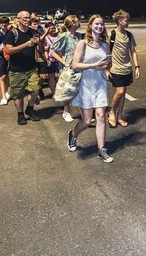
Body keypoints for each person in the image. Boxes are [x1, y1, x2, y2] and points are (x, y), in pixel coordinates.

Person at [65, 14, 113, 163]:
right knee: (86, 121)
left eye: (102, 24)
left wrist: (107, 67)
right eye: (96, 24)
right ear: (90, 26)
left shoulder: (105, 45)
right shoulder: (83, 43)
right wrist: (94, 65)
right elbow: (75, 65)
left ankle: (101, 150)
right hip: (86, 85)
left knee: (100, 116)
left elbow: (108, 64)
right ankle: (73, 134)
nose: (99, 26)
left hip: (100, 84)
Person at [4, 11, 42, 125]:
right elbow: (8, 50)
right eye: (25, 18)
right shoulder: (12, 33)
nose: (28, 20)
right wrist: (26, 45)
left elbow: (39, 48)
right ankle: (20, 115)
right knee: (18, 94)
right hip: (17, 70)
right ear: (19, 19)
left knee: (35, 90)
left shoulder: (33, 32)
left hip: (31, 68)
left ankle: (30, 109)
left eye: (29, 18)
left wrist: (39, 44)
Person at [106, 9, 140, 128]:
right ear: (120, 21)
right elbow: (106, 53)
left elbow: (133, 51)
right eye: (126, 20)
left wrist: (136, 66)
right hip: (116, 69)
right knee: (120, 92)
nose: (128, 22)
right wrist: (106, 69)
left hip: (127, 68)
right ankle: (112, 112)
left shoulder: (129, 35)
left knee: (123, 92)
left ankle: (120, 116)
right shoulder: (111, 35)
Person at [49, 15, 83, 122]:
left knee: (82, 91)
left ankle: (84, 114)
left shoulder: (80, 36)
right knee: (68, 90)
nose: (80, 22)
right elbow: (53, 51)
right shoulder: (64, 36)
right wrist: (64, 62)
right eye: (77, 21)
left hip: (81, 67)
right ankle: (66, 111)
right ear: (72, 23)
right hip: (69, 68)